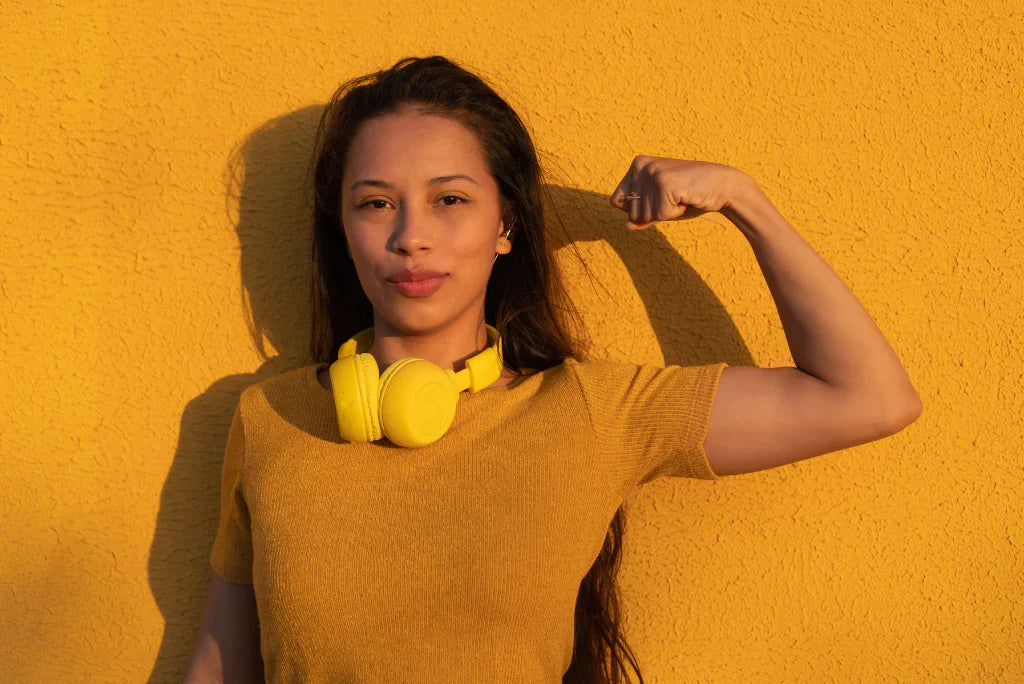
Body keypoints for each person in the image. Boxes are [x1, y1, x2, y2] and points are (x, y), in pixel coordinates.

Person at [185, 56, 922, 683]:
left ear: (505, 224)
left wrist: (743, 199)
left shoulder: (591, 412)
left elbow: (868, 397)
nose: (412, 237)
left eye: (450, 200)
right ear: (342, 231)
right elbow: (222, 660)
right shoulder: (271, 418)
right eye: (376, 203)